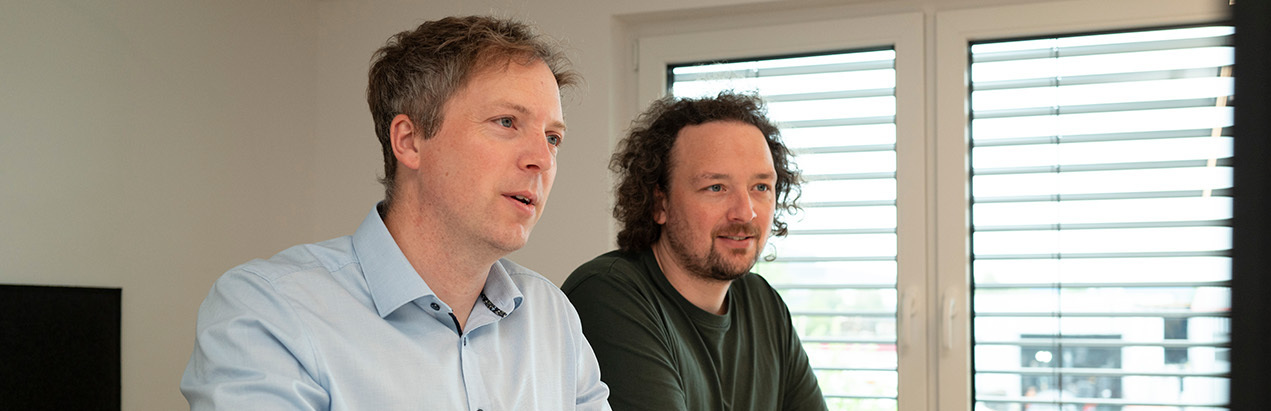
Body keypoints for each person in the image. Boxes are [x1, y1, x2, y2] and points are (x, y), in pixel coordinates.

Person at [181, 16, 610, 410]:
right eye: (506, 122)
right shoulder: (269, 311)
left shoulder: (552, 317)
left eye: (553, 137)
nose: (542, 159)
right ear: (408, 141)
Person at [562, 92, 827, 410]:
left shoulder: (764, 304)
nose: (745, 212)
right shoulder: (606, 294)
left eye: (760, 187)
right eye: (716, 187)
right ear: (660, 202)